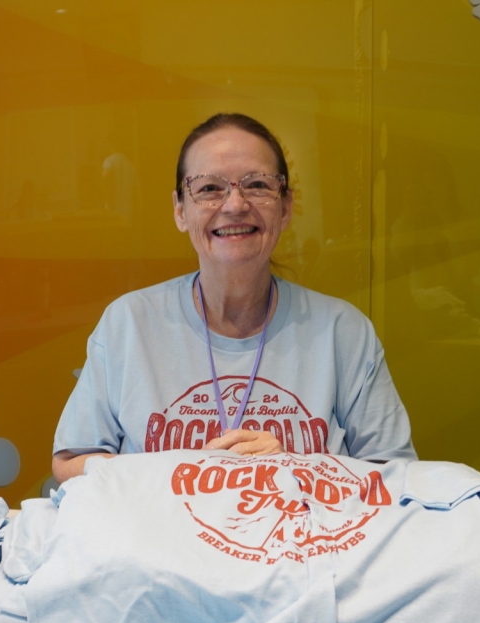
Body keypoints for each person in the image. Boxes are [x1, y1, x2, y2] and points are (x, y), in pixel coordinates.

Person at [51, 113, 416, 481]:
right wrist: (177, 471)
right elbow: (70, 463)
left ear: (286, 207)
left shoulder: (342, 332)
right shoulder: (129, 324)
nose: (235, 204)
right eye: (209, 188)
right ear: (180, 210)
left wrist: (296, 469)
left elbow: (397, 475)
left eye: (257, 185)